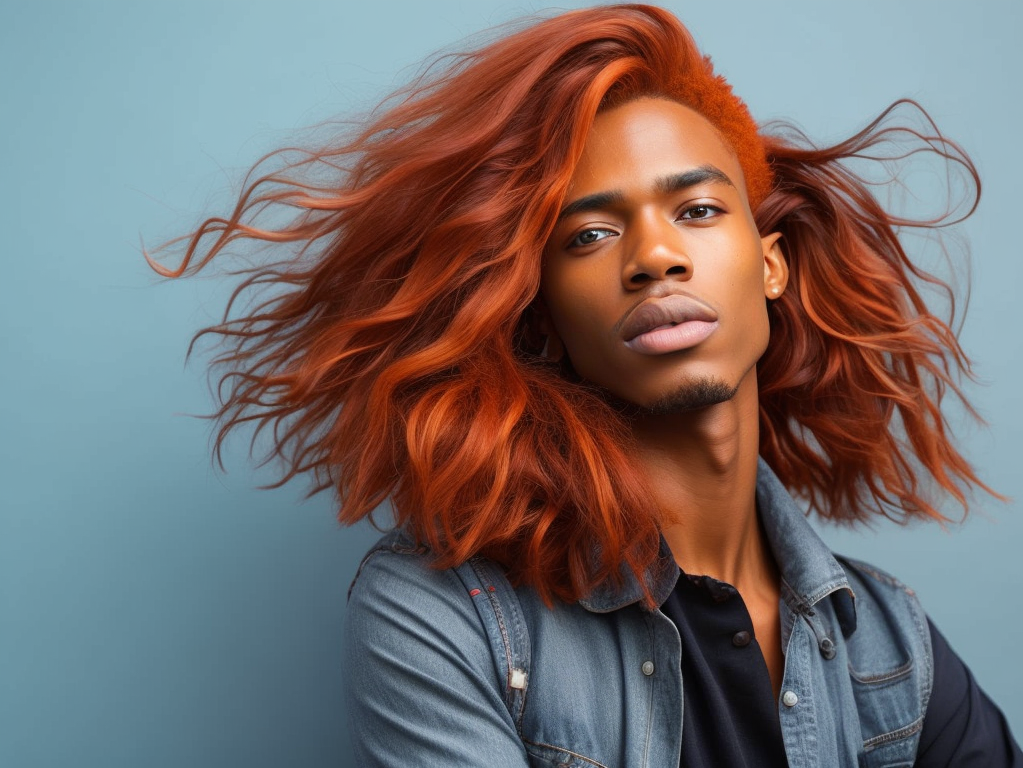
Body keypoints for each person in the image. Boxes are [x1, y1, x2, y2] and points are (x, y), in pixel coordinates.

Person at [152, 5, 1021, 766]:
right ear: (543, 317)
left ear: (770, 267)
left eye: (698, 210)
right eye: (591, 235)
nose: (654, 256)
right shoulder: (448, 617)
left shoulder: (889, 645)